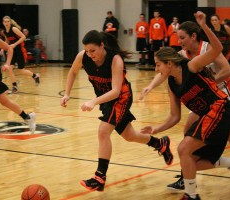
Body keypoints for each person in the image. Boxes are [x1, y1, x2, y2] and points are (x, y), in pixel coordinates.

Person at [60, 30, 174, 192]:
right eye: (87, 51)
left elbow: (115, 91)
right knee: (130, 136)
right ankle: (160, 144)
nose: (90, 54)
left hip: (121, 98)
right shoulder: (83, 57)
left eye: (93, 50)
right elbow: (72, 72)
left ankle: (99, 177)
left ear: (102, 45)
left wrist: (93, 101)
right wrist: (66, 94)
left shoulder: (115, 60)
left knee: (103, 132)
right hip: (106, 100)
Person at [141, 11, 230, 200]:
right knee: (191, 160)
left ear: (168, 63)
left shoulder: (191, 65)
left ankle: (191, 195)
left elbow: (217, 51)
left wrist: (205, 26)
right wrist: (156, 129)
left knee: (184, 148)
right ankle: (225, 164)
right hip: (206, 112)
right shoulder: (172, 83)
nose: (156, 70)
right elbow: (175, 117)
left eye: (158, 65)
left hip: (220, 106)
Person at [2, 16, 40, 94]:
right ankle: (15, 87)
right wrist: (2, 48)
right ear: (3, 22)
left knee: (21, 70)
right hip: (12, 52)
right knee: (9, 68)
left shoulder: (14, 29)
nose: (6, 23)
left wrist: (15, 44)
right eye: (5, 22)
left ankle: (35, 76)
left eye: (8, 21)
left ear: (10, 22)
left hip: (20, 51)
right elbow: (6, 40)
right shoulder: (5, 31)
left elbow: (23, 37)